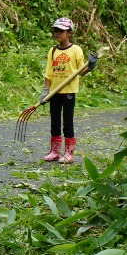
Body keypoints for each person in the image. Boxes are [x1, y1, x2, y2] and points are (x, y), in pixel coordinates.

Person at [41, 17, 88, 164]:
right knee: (54, 122)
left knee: (67, 122)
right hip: (54, 92)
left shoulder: (76, 50)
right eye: (55, 30)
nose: (57, 33)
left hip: (68, 91)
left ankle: (69, 153)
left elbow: (81, 71)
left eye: (61, 31)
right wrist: (45, 91)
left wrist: (91, 66)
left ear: (70, 33)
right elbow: (49, 72)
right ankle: (54, 151)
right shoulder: (53, 50)